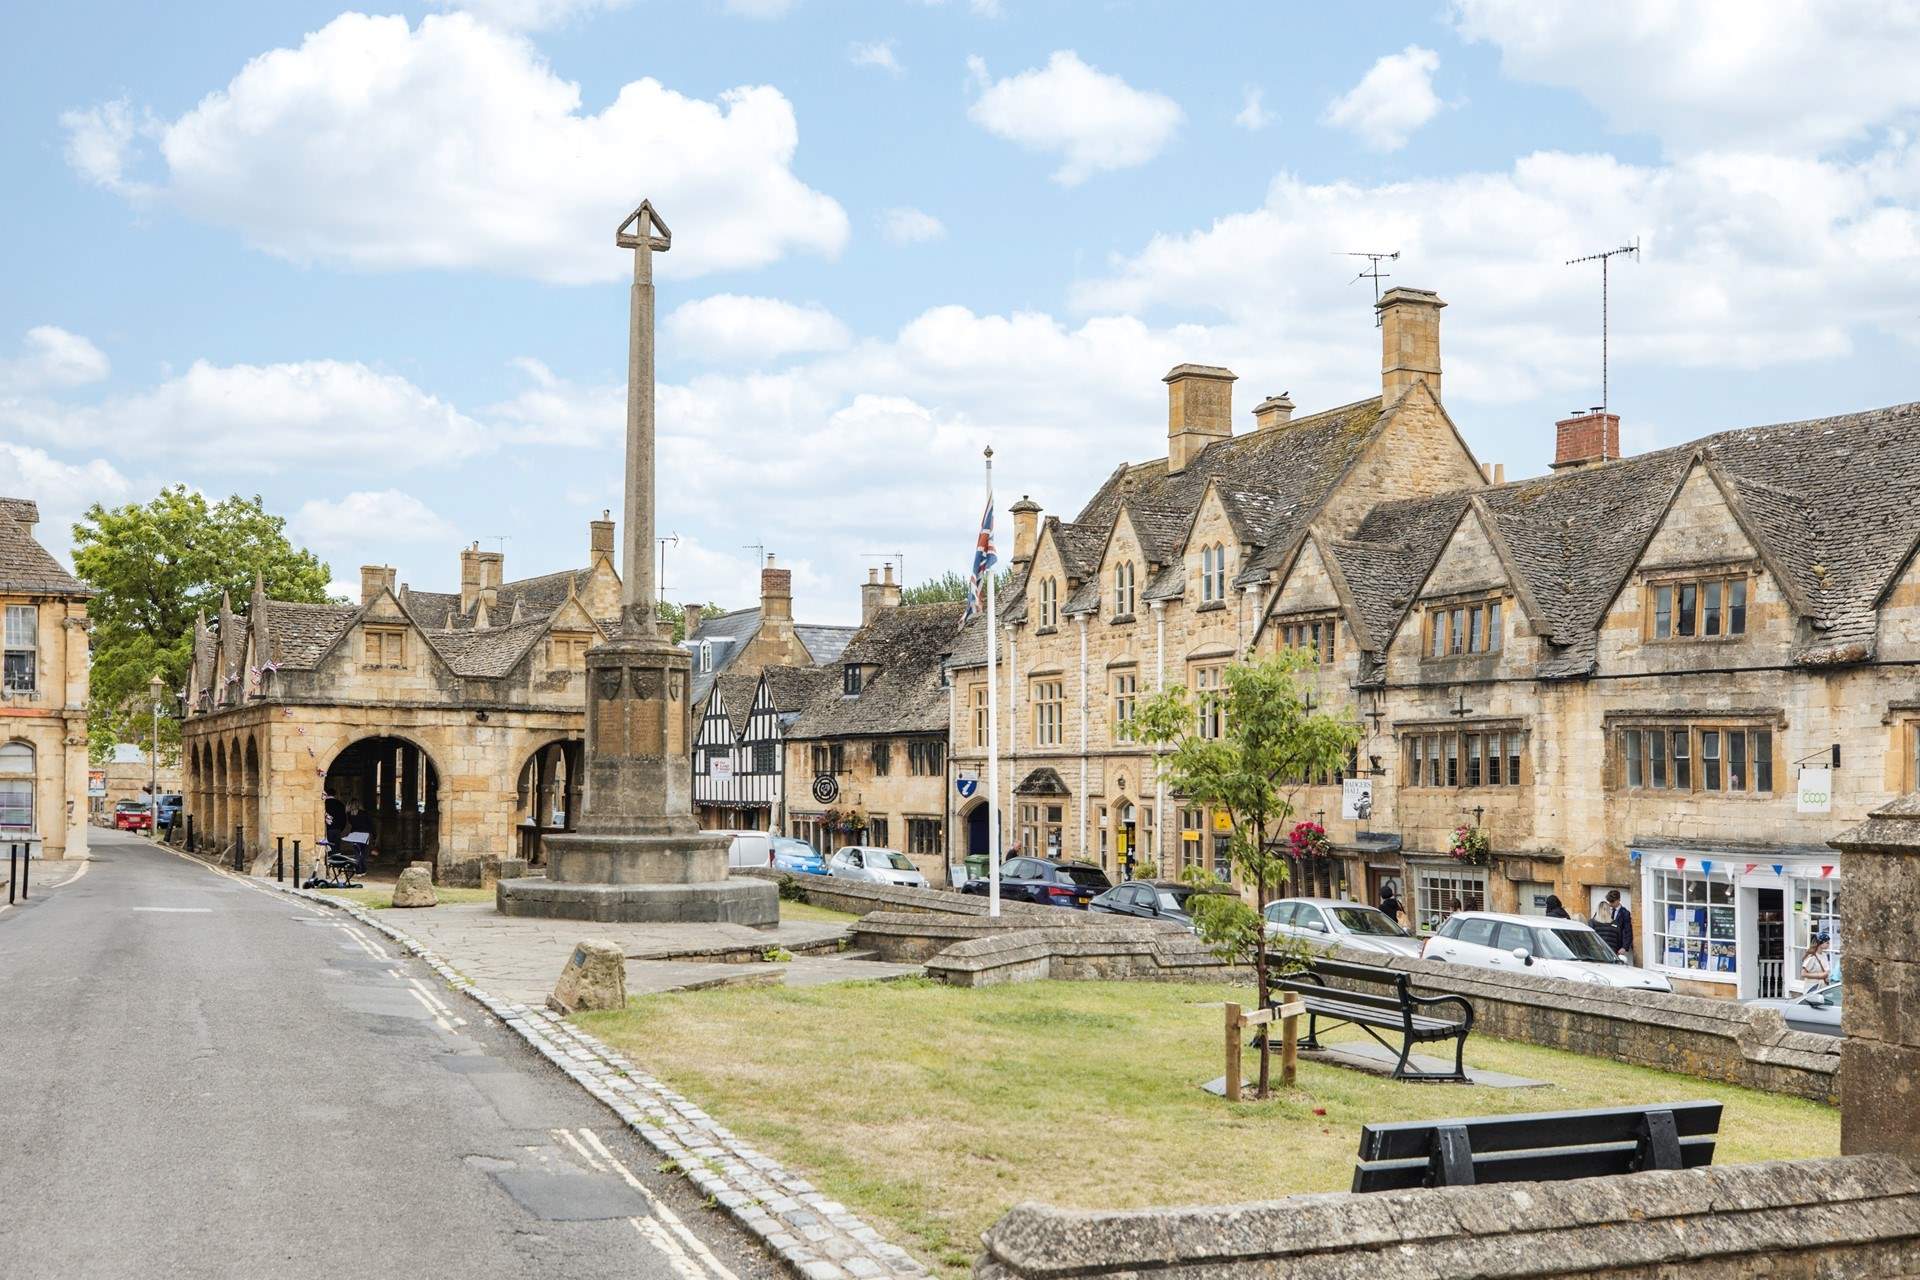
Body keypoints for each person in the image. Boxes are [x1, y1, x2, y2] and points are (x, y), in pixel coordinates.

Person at [1604, 888, 1634, 960]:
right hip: (1606, 943)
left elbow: (1628, 931)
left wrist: (1624, 947)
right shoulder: (1605, 910)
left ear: (1618, 900)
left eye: (1612, 902)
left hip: (1618, 945)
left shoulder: (1625, 913)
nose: (1610, 904)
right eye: (1609, 902)